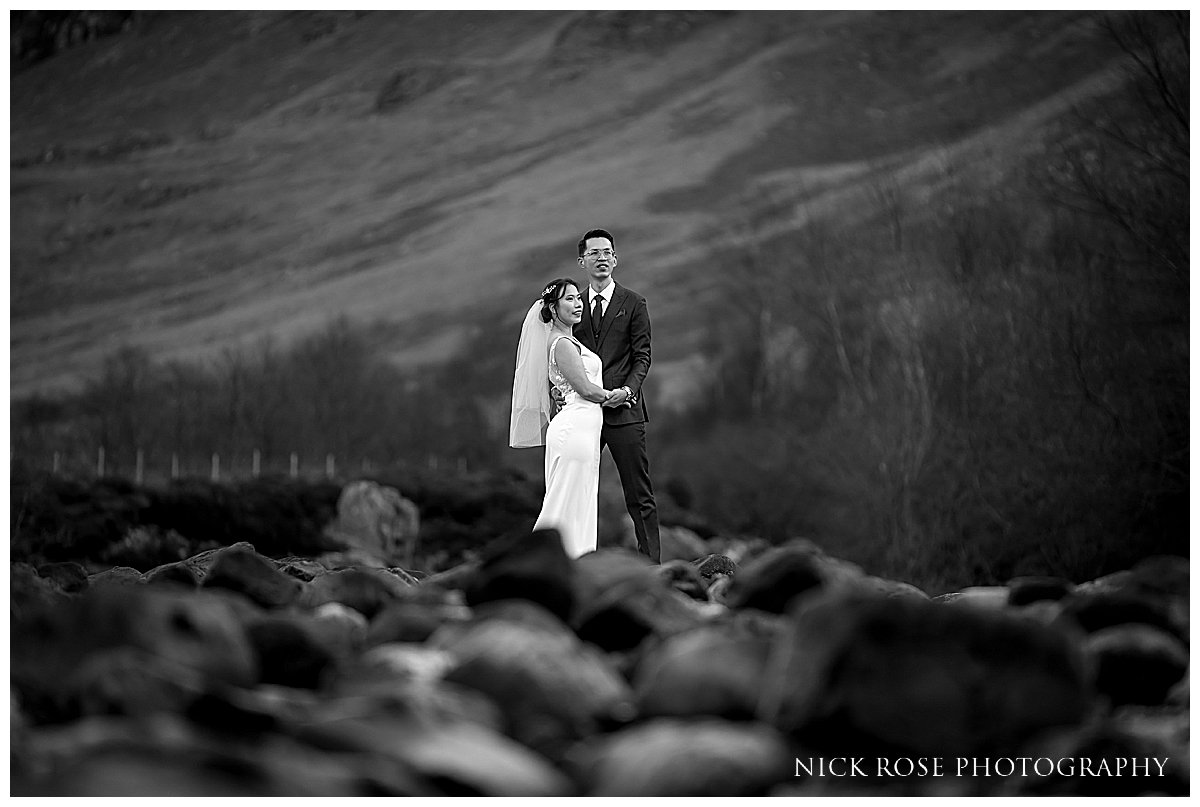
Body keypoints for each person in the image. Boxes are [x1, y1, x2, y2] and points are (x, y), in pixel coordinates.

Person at [509, 277, 616, 557]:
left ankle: (574, 557)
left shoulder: (568, 341)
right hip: (575, 429)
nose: (577, 303)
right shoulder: (562, 344)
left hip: (582, 428)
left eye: (577, 298)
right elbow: (585, 389)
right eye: (569, 299)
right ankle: (545, 558)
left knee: (579, 496)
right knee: (566, 497)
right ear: (553, 309)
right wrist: (618, 394)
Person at [573, 228, 661, 563]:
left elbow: (643, 356)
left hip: (625, 411)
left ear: (616, 258)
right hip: (583, 413)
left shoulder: (635, 303)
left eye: (607, 252)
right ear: (582, 261)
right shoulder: (572, 305)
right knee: (577, 490)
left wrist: (627, 390)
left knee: (639, 495)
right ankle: (576, 560)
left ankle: (653, 566)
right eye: (594, 253)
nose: (602, 258)